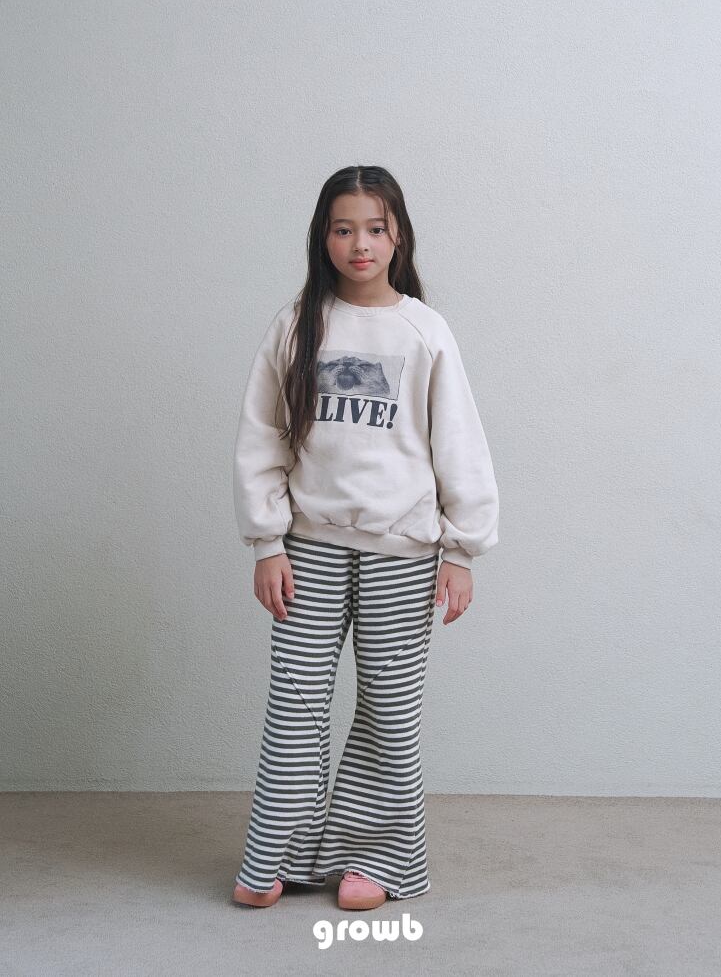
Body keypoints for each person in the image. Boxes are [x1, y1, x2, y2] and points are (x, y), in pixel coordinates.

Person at [230, 164, 499, 911]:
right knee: (294, 704)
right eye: (343, 229)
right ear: (323, 237)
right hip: (307, 549)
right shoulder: (297, 325)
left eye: (375, 229)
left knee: (387, 708)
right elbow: (261, 436)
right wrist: (267, 542)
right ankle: (279, 854)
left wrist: (462, 552)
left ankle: (379, 860)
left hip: (403, 554)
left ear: (398, 235)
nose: (360, 244)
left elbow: (459, 445)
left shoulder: (425, 331)